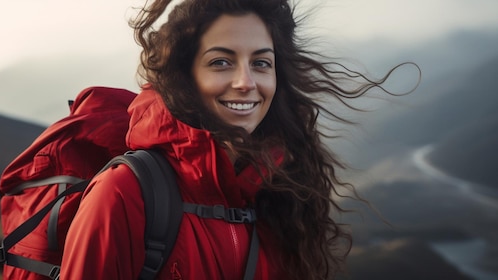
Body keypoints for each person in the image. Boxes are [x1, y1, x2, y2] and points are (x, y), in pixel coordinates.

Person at [60, 0, 411, 279]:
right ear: (184, 77)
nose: (246, 82)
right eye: (221, 62)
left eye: (261, 63)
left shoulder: (278, 194)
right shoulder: (124, 193)